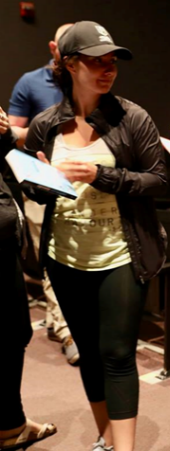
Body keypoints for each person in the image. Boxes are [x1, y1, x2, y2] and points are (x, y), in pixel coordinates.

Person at [23, 21, 167, 451]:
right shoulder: (46, 124)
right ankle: (106, 435)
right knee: (87, 350)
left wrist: (102, 176)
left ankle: (125, 448)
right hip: (64, 255)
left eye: (112, 62)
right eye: (95, 61)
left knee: (118, 353)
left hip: (121, 253)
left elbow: (159, 180)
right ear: (68, 65)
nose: (107, 70)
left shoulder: (132, 117)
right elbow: (32, 188)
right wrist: (42, 182)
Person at [8, 23, 79, 366]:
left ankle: (63, 319)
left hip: (82, 179)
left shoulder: (86, 80)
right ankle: (66, 330)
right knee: (49, 257)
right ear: (53, 47)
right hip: (41, 175)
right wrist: (41, 129)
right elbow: (14, 132)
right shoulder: (30, 81)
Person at [0, 109, 57, 450]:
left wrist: (7, 136)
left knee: (13, 334)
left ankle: (11, 423)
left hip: (6, 245)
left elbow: (9, 160)